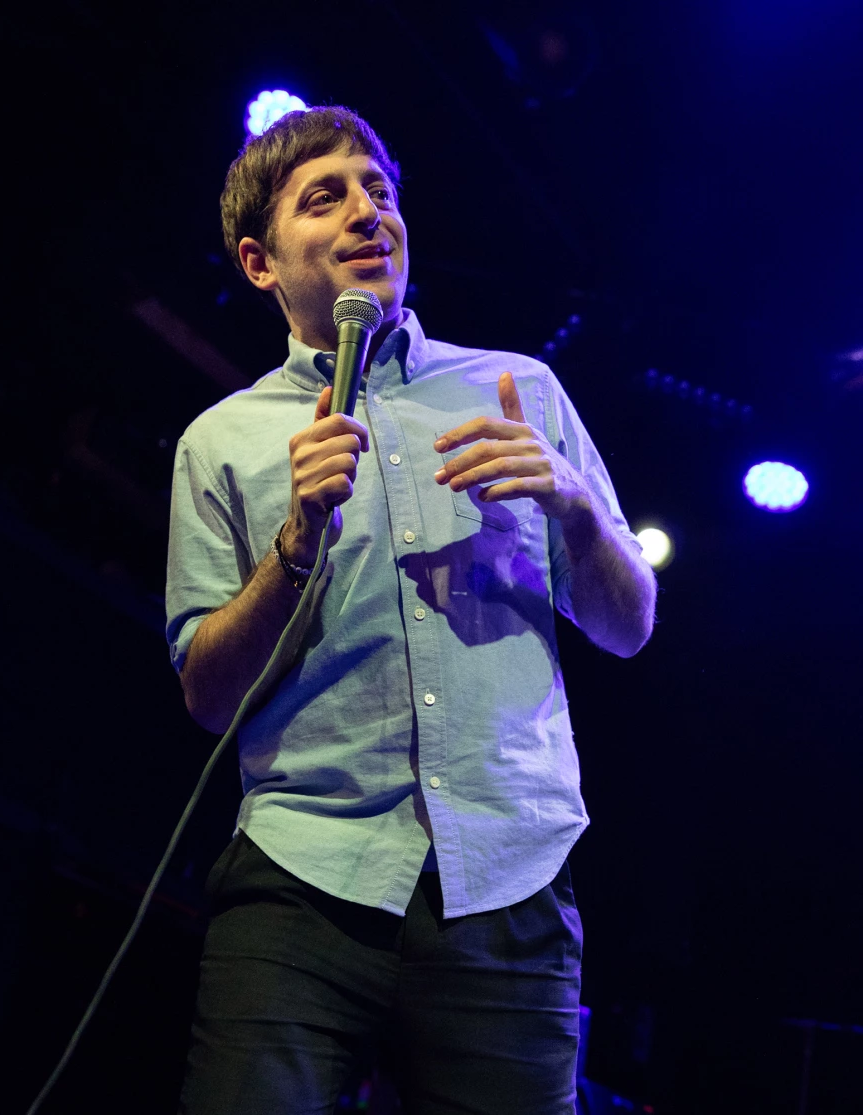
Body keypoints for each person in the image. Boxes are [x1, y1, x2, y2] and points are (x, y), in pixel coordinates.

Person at [166, 105, 656, 1115]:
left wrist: (571, 505)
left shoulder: (523, 389)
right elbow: (208, 695)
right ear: (260, 262)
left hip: (507, 882)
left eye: (378, 191)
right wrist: (294, 544)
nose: (367, 212)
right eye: (325, 197)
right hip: (302, 879)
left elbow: (628, 623)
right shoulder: (220, 441)